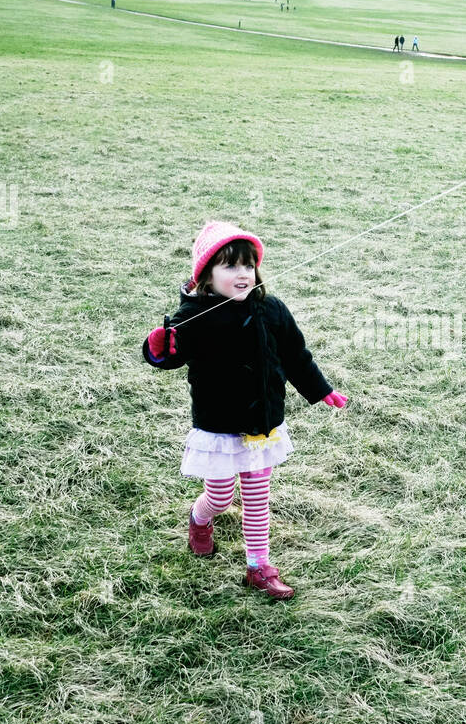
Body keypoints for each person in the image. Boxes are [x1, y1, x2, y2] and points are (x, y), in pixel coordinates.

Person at [142, 221, 348, 599]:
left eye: (248, 266)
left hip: (262, 422)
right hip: (219, 425)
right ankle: (199, 519)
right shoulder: (194, 316)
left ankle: (259, 566)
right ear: (206, 274)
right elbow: (171, 354)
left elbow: (297, 357)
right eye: (230, 266)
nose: (242, 274)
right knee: (219, 497)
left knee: (256, 496)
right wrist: (159, 348)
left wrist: (321, 391)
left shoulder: (272, 309)